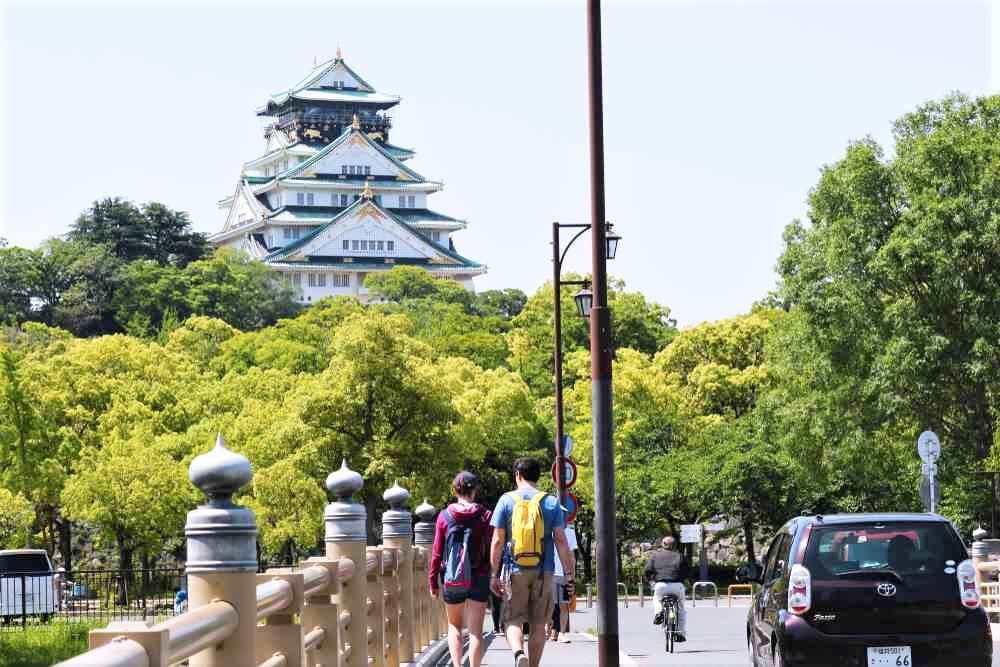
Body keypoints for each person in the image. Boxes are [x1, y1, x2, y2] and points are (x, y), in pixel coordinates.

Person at [489, 457, 575, 667]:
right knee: (538, 624)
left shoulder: (506, 500)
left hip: (514, 570)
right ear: (538, 477)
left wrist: (493, 574)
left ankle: (519, 653)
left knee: (512, 618)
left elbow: (498, 540)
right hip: (544, 570)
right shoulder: (551, 502)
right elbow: (561, 541)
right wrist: (569, 573)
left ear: (517, 475)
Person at [429, 471, 493, 667]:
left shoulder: (444, 516)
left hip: (452, 576)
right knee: (475, 631)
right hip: (479, 575)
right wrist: (494, 574)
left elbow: (437, 552)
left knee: (454, 626)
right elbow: (492, 547)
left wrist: (433, 581)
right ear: (474, 490)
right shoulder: (485, 515)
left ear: (455, 490)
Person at [644, 535, 689, 642]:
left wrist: (651, 581)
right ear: (674, 545)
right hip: (677, 585)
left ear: (663, 544)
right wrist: (684, 579)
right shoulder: (680, 556)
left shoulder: (655, 556)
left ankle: (659, 612)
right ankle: (680, 632)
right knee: (681, 608)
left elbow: (647, 570)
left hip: (661, 585)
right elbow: (687, 571)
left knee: (656, 599)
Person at [548, 522, 577, 643]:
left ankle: (562, 633)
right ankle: (551, 631)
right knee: (549, 606)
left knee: (563, 605)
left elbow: (572, 557)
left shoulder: (570, 532)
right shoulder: (547, 530)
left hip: (564, 575)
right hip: (549, 573)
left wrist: (572, 577)